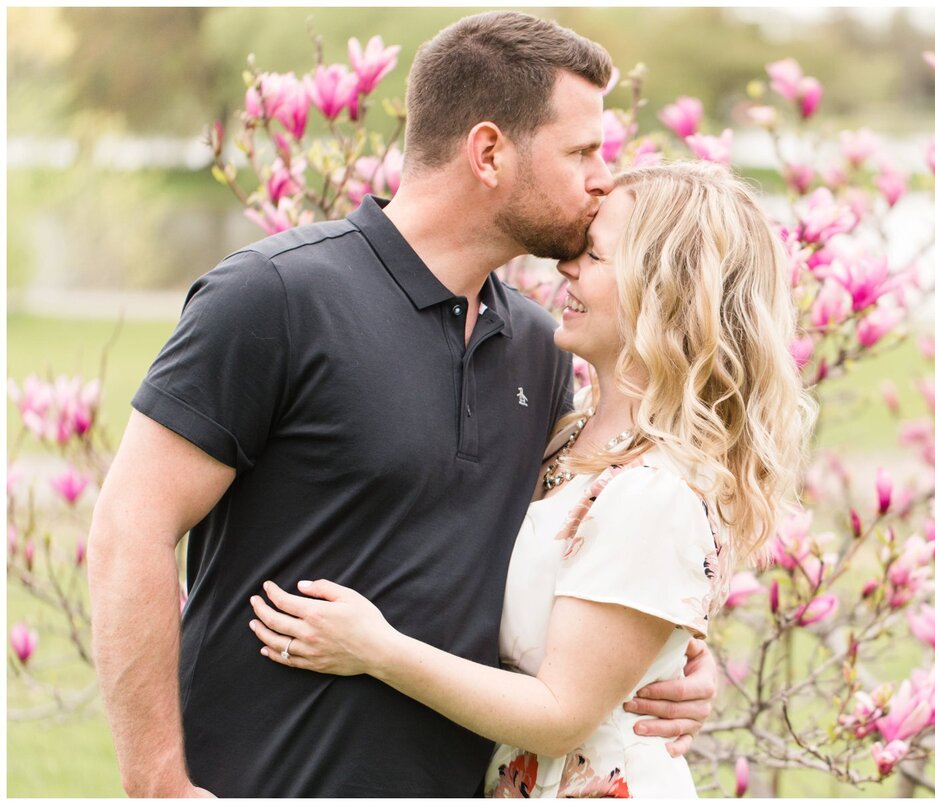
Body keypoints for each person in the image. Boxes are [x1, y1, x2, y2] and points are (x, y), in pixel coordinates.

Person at [87, 12, 718, 798]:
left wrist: (672, 653)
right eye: (583, 150)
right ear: (489, 151)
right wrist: (157, 785)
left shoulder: (537, 344)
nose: (601, 178)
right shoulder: (275, 297)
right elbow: (127, 529)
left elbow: (579, 550)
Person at [247, 161, 818, 797]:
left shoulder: (655, 490)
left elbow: (559, 717)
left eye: (593, 255)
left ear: (665, 293)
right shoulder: (571, 433)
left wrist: (375, 649)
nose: (565, 267)